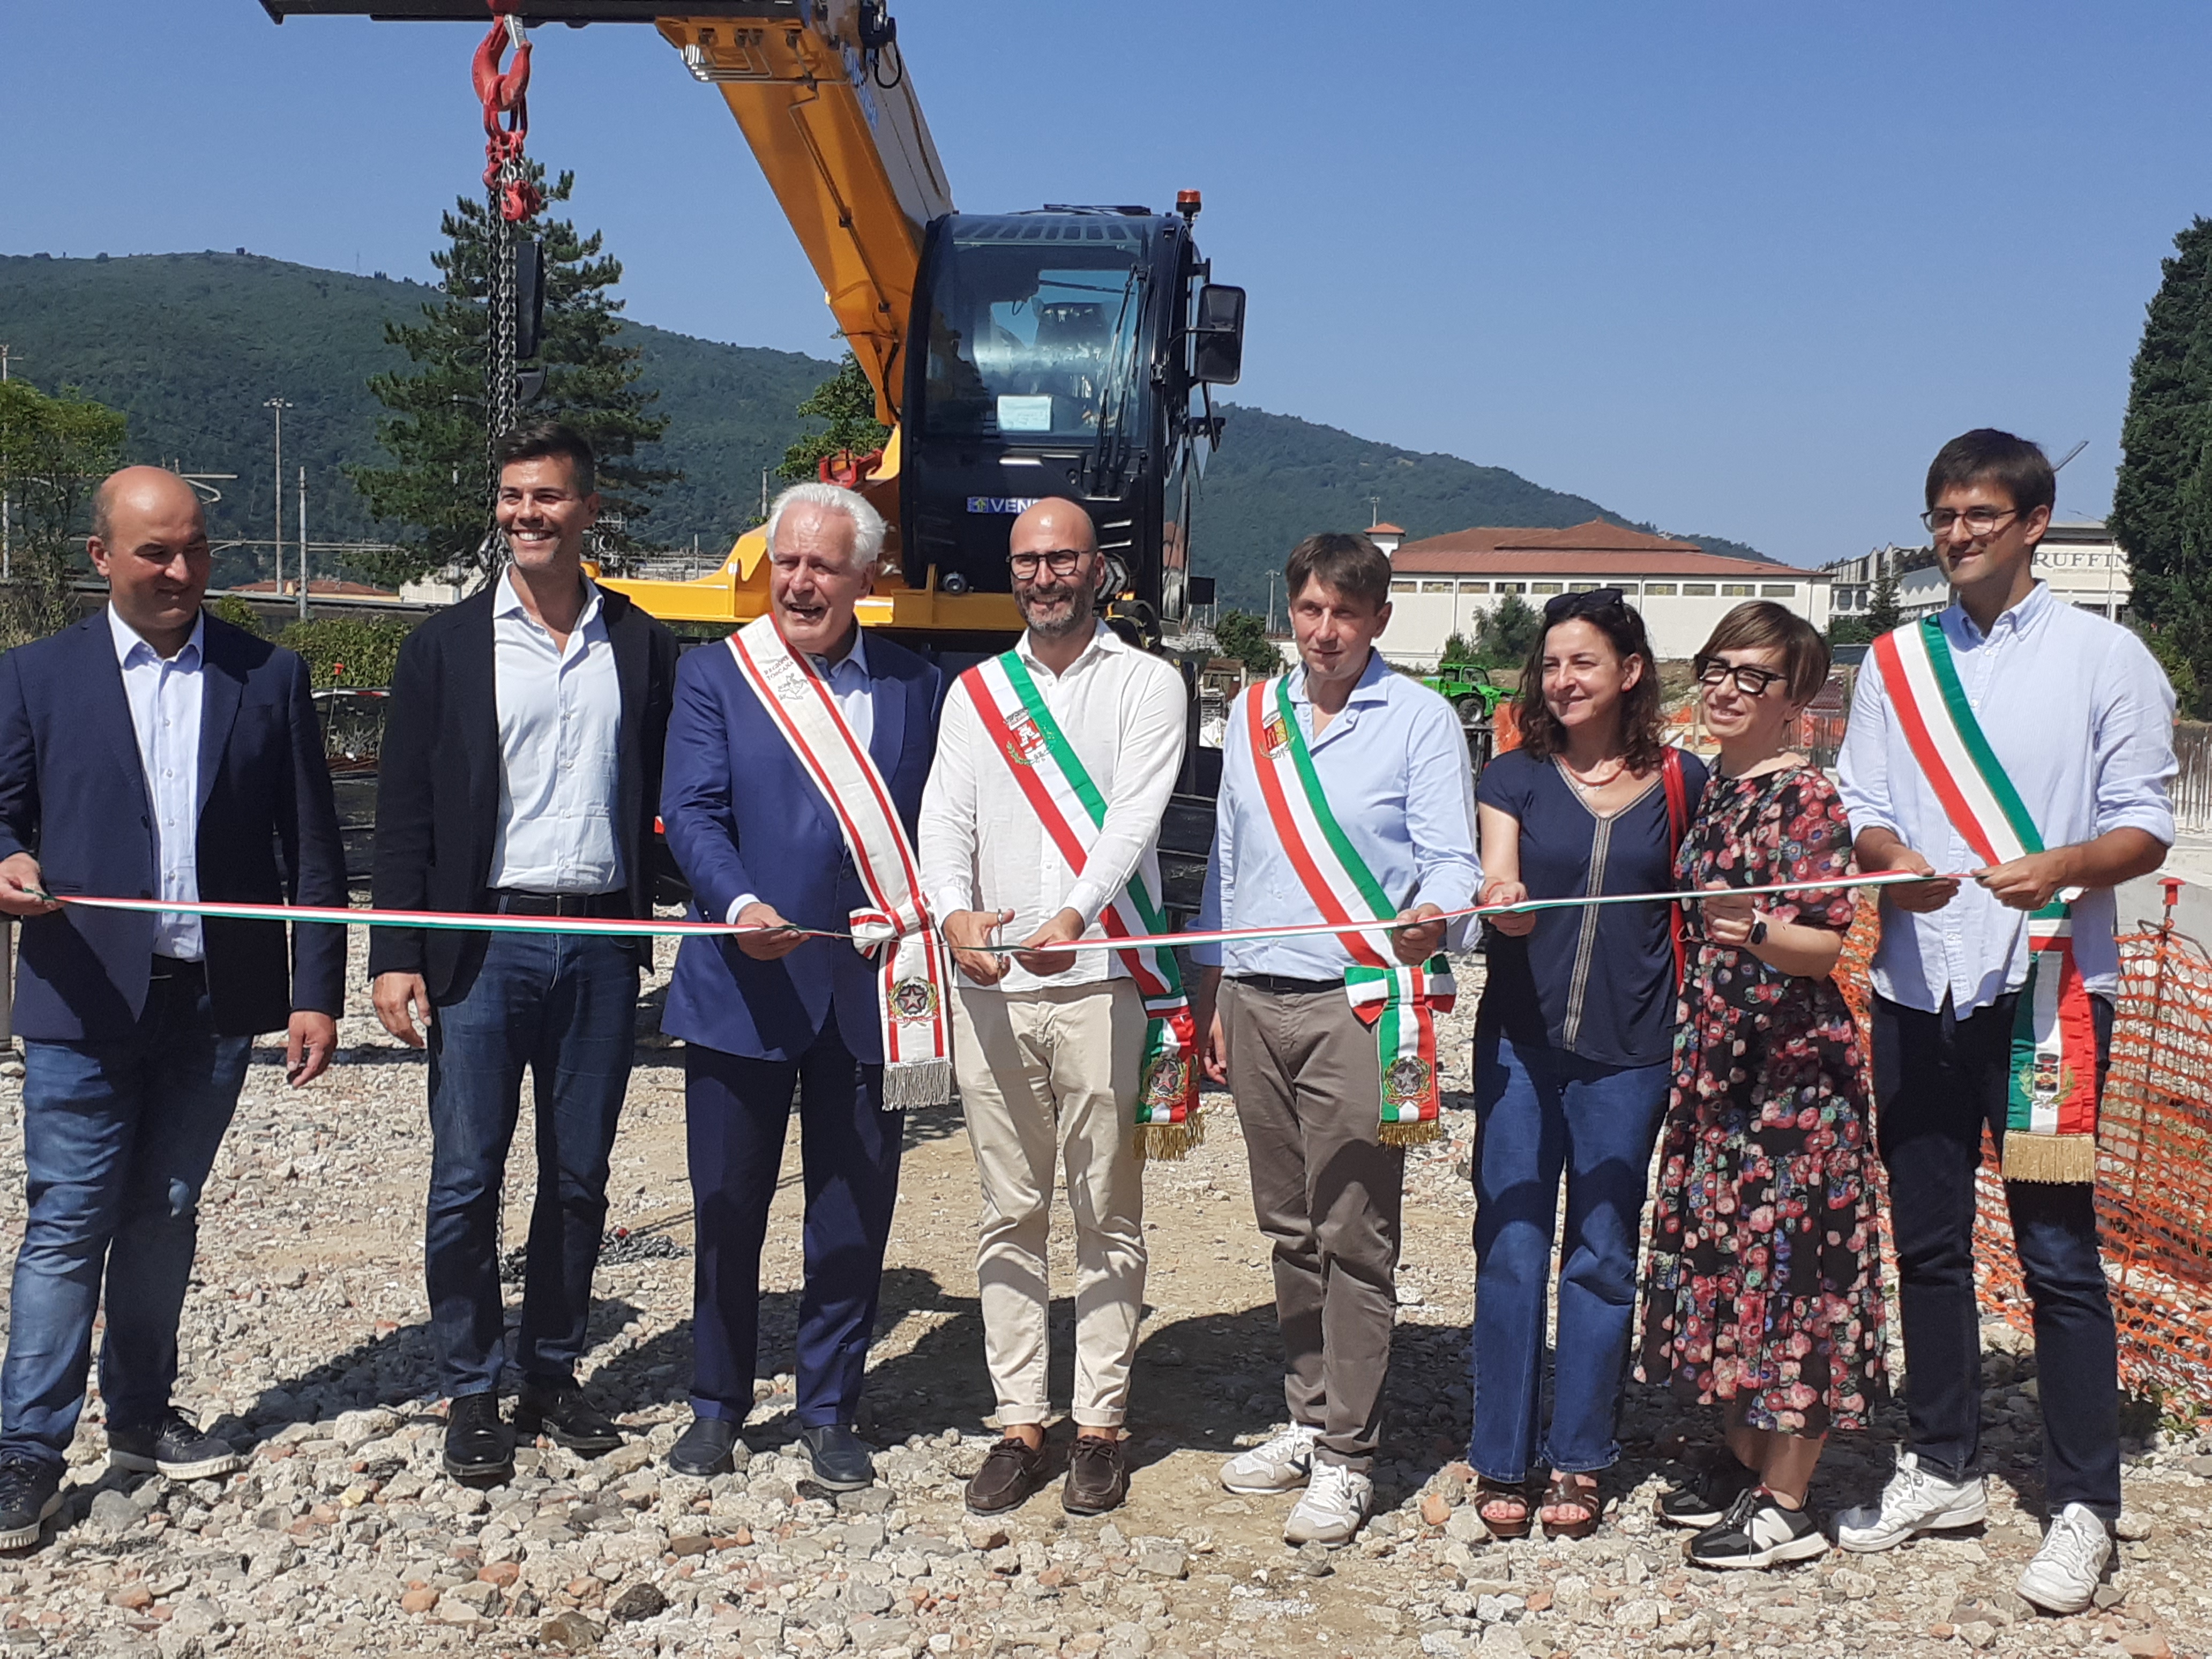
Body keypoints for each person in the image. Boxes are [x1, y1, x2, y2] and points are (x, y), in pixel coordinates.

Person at [1835, 430, 2173, 1612]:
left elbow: (2144, 825)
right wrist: (1891, 859)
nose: (1958, 533)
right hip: (1915, 987)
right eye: (1943, 515)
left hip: (2046, 998)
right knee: (1925, 1242)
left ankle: (2084, 1502)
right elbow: (1866, 802)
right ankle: (1942, 1463)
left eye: (1981, 514)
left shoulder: (2105, 656)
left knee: (2056, 1252)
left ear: (2035, 523)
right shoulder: (1895, 658)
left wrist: (2064, 866)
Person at [0, 467, 348, 1548]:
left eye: (195, 548)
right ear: (102, 557)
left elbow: (313, 849)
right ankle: (26, 1451)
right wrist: (7, 858)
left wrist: (315, 993)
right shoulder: (34, 676)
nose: (181, 570)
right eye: (156, 551)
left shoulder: (268, 675)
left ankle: (142, 1418)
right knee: (68, 1221)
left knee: (165, 1215)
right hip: (80, 997)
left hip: (212, 1003)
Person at [370, 422, 678, 1485]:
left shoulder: (641, 644)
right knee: (466, 1177)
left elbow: (670, 796)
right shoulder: (445, 648)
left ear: (588, 510)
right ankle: (471, 1387)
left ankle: (550, 1371)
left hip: (599, 942)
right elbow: (405, 813)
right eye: (511, 497)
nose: (526, 515)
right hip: (483, 943)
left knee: (579, 1177)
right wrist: (395, 951)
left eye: (546, 497)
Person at [1191, 533, 1479, 1548]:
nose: (1325, 632)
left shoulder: (1420, 719)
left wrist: (1439, 915)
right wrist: (1211, 986)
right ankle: (1308, 1417)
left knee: (1354, 1229)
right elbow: (1228, 857)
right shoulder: (1253, 712)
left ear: (1379, 621)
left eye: (1346, 614)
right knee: (1288, 1225)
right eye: (1310, 610)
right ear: (1292, 611)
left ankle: (1351, 1454)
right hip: (1256, 997)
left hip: (1358, 1003)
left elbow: (1453, 861)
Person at [657, 482, 945, 1489]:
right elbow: (693, 811)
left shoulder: (917, 685)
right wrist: (738, 904)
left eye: (823, 565)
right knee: (726, 1207)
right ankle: (716, 1404)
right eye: (787, 562)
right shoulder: (716, 674)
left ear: (868, 577)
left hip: (870, 995)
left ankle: (829, 1407)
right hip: (743, 984)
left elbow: (943, 826)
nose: (799, 582)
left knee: (853, 1212)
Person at [918, 497, 1189, 1518]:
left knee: (1105, 1209)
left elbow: (1135, 819)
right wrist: (953, 914)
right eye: (1028, 562)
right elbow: (943, 818)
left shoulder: (1147, 684)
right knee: (1009, 1210)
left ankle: (1102, 1422)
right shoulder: (977, 693)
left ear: (1098, 570)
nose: (1045, 577)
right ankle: (1020, 1418)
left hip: (1101, 980)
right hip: (994, 987)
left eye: (1063, 559)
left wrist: (1076, 915)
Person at [1638, 602, 1887, 1568]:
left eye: (1755, 677)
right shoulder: (1716, 788)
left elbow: (1826, 945)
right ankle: (1748, 1462)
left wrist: (1754, 928)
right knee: (1736, 1262)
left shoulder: (1807, 798)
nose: (1728, 689)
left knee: (1796, 1275)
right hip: (1721, 1067)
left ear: (1797, 699)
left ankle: (1787, 1502)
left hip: (1791, 1080)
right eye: (1718, 668)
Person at [1467, 588, 1706, 1541]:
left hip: (1632, 1053)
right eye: (1553, 664)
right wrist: (1504, 905)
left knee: (1604, 1251)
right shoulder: (1514, 776)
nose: (1563, 680)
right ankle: (1501, 1453)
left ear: (1630, 672)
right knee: (1512, 1244)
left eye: (1585, 663)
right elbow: (1497, 875)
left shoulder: (1685, 782)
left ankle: (1580, 1453)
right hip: (1521, 1045)